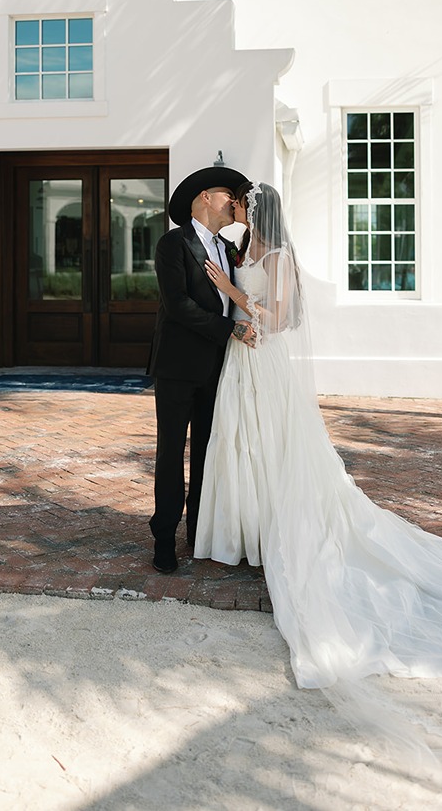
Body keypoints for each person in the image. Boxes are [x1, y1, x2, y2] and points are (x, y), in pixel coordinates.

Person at [196, 181, 442, 800]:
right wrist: (233, 303)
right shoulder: (242, 252)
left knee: (282, 455)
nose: (234, 208)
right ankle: (246, 530)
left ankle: (280, 530)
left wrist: (233, 293)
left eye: (240, 205)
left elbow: (285, 318)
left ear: (256, 211)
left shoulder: (278, 261)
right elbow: (244, 314)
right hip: (242, 365)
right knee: (244, 452)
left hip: (270, 367)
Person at [147, 165, 255, 575]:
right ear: (204, 197)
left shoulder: (228, 248)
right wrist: (232, 330)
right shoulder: (172, 244)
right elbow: (179, 306)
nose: (233, 201)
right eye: (228, 194)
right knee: (171, 453)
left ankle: (198, 531)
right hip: (177, 366)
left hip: (218, 370)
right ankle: (163, 538)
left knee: (209, 454)